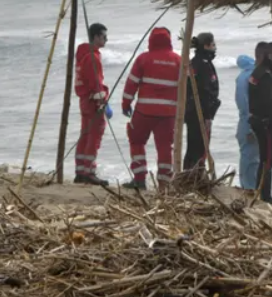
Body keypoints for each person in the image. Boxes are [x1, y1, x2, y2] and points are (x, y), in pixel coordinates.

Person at [121, 27, 181, 190]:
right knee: (164, 148)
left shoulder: (143, 59)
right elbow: (187, 87)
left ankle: (139, 179)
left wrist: (125, 104)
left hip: (144, 112)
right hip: (168, 114)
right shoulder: (178, 61)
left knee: (137, 141)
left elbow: (131, 83)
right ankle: (164, 184)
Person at [74, 22, 113, 186]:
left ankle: (81, 170)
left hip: (85, 101)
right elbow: (95, 84)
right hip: (92, 102)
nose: (106, 39)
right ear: (96, 36)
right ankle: (89, 172)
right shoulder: (92, 57)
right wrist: (102, 103)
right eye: (104, 36)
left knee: (85, 135)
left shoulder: (85, 54)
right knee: (94, 136)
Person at [248, 42, 272, 206]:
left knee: (268, 158)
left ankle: (262, 192)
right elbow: (267, 103)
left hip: (264, 121)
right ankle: (264, 195)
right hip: (266, 123)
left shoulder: (265, 72)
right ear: (270, 56)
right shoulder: (264, 75)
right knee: (268, 158)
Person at [183, 32, 220, 170]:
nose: (215, 48)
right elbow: (204, 92)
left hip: (193, 111)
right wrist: (208, 115)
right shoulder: (202, 64)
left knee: (193, 146)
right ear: (206, 46)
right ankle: (195, 176)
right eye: (213, 45)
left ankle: (190, 174)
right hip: (200, 113)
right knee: (200, 147)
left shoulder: (195, 62)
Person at [234, 41, 267, 191]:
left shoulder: (245, 75)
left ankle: (250, 186)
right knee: (250, 157)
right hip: (248, 121)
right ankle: (249, 187)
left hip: (247, 121)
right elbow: (245, 104)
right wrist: (250, 127)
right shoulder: (250, 77)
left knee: (251, 156)